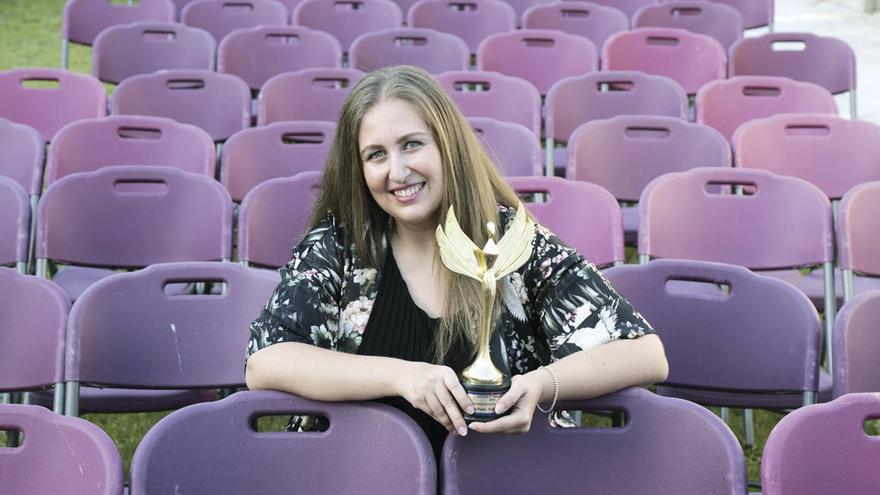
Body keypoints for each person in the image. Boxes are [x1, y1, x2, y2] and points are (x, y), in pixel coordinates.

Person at [245, 65, 668, 458]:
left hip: (499, 477)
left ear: (446, 146)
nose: (397, 171)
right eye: (376, 154)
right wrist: (402, 376)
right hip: (352, 475)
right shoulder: (340, 243)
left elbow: (645, 353)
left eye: (412, 144)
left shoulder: (509, 237)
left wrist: (541, 385)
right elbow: (266, 361)